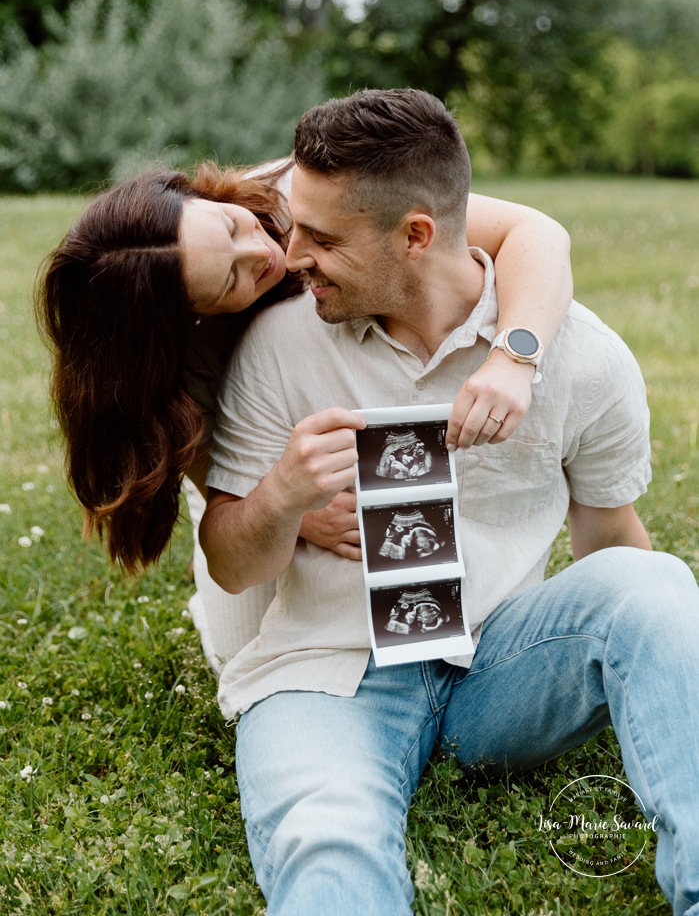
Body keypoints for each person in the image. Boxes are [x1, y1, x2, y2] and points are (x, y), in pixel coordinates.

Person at [199, 88, 699, 914]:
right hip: (330, 673)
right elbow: (229, 563)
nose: (290, 257)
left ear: (416, 235)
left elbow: (612, 542)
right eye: (294, 228)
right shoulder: (278, 344)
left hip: (496, 670)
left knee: (655, 584)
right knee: (327, 837)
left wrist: (657, 667)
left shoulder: (581, 357)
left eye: (322, 239)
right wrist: (281, 494)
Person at [37, 151, 573, 666]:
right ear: (191, 318)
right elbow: (230, 491)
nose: (264, 254)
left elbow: (536, 232)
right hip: (254, 457)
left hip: (347, 398)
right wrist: (294, 510)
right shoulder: (181, 369)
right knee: (244, 659)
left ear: (197, 195)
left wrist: (513, 359)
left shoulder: (311, 190)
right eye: (231, 279)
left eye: (231, 226)